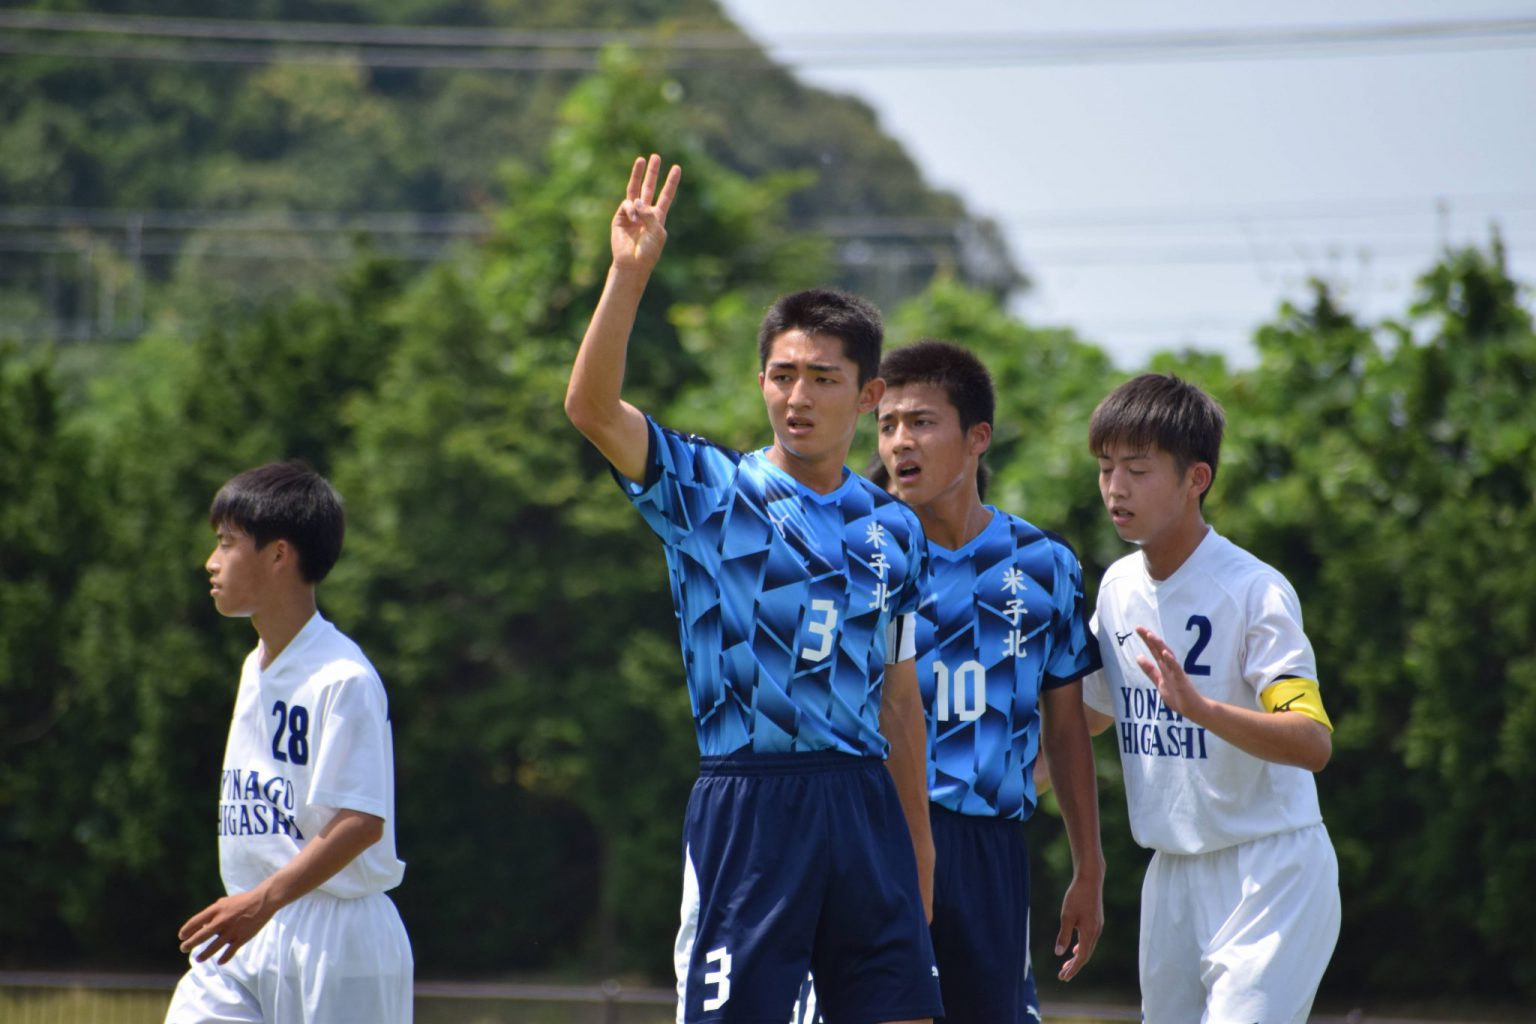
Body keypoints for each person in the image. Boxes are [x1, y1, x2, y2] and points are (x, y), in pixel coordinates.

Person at [564, 155, 943, 1024]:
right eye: (782, 374)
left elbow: (900, 698)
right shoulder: (709, 492)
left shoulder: (898, 531)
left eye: (822, 378)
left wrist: (917, 850)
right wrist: (628, 277)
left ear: (869, 394)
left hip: (863, 807)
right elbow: (590, 406)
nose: (797, 396)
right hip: (753, 802)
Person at [1080, 373, 1340, 1024]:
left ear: (1197, 478)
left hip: (1270, 871)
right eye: (1106, 467)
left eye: (1137, 469)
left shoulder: (1255, 590)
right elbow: (1087, 716)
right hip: (1171, 872)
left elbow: (1311, 741)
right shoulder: (1116, 588)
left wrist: (1201, 710)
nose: (1115, 486)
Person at [876, 340, 1104, 1022]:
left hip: (990, 851)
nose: (898, 442)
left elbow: (1067, 729)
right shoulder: (861, 555)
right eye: (886, 425)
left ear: (978, 437)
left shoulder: (1045, 565)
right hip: (878, 833)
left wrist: (1089, 867)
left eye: (920, 421)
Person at [165, 461, 411, 1024]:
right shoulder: (255, 666)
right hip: (245, 927)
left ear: (279, 555)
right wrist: (256, 903)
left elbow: (361, 822)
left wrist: (264, 900)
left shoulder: (342, 676)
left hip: (337, 936)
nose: (211, 561)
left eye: (227, 543)